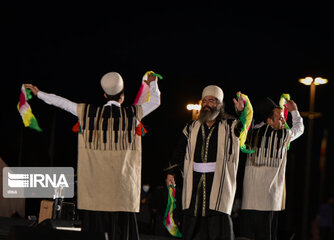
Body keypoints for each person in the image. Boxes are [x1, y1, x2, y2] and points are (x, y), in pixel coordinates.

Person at [25, 71, 161, 240]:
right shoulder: (132, 115)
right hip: (122, 194)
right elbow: (155, 101)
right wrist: (152, 83)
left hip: (95, 195)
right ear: (123, 97)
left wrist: (39, 94)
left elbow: (62, 103)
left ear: (105, 95)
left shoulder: (88, 112)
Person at [166, 85, 252, 240]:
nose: (206, 104)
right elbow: (178, 151)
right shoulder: (191, 127)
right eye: (204, 100)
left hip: (219, 182)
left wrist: (241, 112)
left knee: (217, 224)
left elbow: (246, 130)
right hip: (194, 182)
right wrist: (171, 172)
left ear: (219, 104)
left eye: (211, 101)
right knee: (193, 224)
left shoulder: (231, 125)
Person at [239, 97, 304, 240]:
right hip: (269, 202)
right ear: (269, 121)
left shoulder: (251, 134)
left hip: (248, 202)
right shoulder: (282, 135)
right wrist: (294, 111)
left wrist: (242, 112)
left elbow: (244, 127)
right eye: (280, 118)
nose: (283, 122)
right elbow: (299, 128)